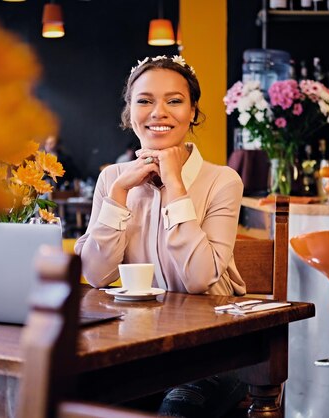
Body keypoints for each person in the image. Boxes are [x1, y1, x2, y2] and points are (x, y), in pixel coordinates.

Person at [75, 55, 246, 417]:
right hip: (134, 346)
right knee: (80, 399)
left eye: (174, 100)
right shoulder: (112, 180)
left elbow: (199, 279)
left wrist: (175, 185)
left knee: (177, 409)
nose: (159, 112)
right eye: (145, 100)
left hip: (213, 349)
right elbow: (96, 274)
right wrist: (119, 193)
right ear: (129, 111)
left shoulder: (223, 181)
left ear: (193, 111)